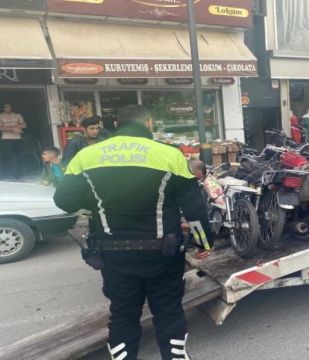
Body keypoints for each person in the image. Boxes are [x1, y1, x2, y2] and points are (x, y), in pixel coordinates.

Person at [53, 104, 212, 360]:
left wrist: (97, 202)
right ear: (148, 123)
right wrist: (204, 243)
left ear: (116, 124)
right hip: (163, 252)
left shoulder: (88, 155)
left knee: (123, 313)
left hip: (114, 254)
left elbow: (64, 200)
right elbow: (194, 208)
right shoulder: (170, 154)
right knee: (168, 310)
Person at [0, 103, 26, 179]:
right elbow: (0, 128)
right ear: (3, 108)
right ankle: (8, 173)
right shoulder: (1, 116)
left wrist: (8, 127)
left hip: (17, 138)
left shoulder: (18, 115)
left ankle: (18, 174)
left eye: (9, 107)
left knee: (19, 156)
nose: (7, 108)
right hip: (6, 139)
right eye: (5, 107)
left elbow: (24, 125)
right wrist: (13, 129)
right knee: (8, 157)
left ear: (12, 108)